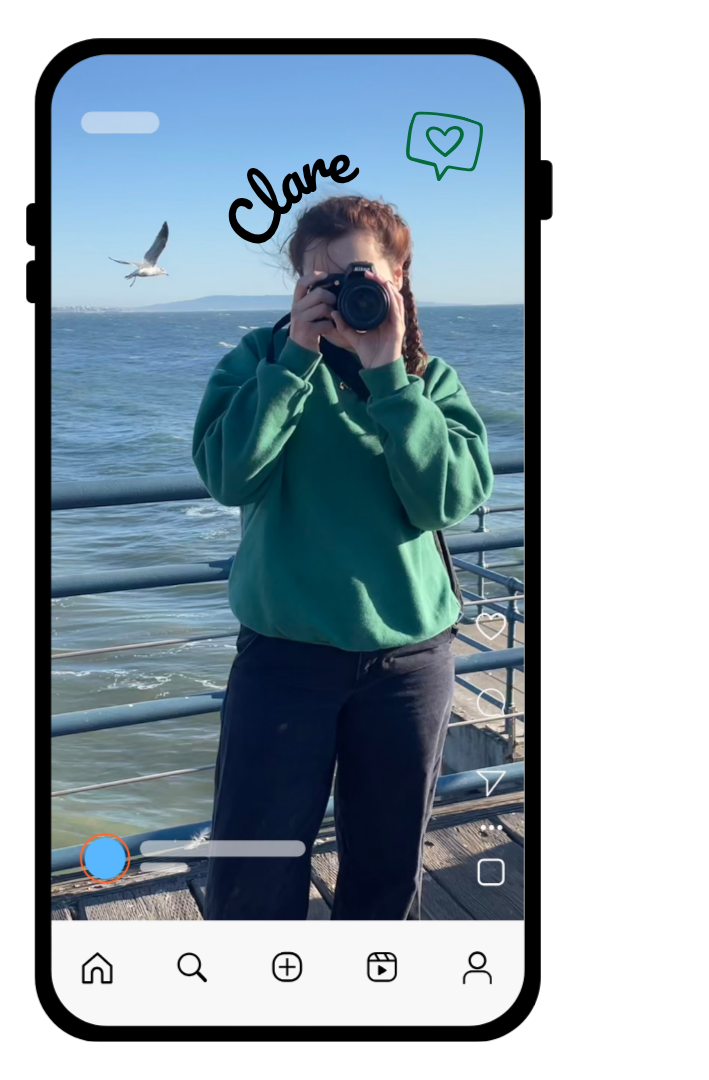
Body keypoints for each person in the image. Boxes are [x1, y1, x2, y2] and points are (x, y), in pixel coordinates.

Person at [191, 195, 493, 920]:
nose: (340, 294)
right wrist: (294, 361)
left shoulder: (427, 378)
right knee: (254, 868)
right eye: (320, 281)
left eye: (360, 275)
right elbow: (228, 476)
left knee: (387, 870)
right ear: (297, 287)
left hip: (408, 664)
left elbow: (447, 500)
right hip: (284, 659)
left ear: (397, 277)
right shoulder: (260, 360)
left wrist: (388, 374)